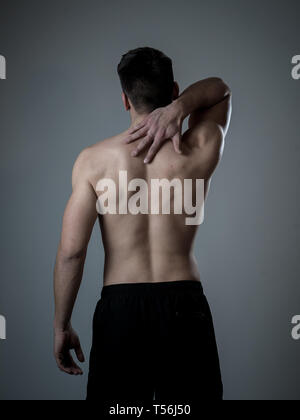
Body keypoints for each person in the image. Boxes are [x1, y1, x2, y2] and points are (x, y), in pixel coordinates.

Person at [53, 47, 232, 409]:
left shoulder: (93, 161)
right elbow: (221, 90)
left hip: (122, 309)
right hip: (185, 304)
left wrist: (62, 325)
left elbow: (72, 252)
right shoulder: (197, 147)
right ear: (175, 90)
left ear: (124, 99)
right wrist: (180, 109)